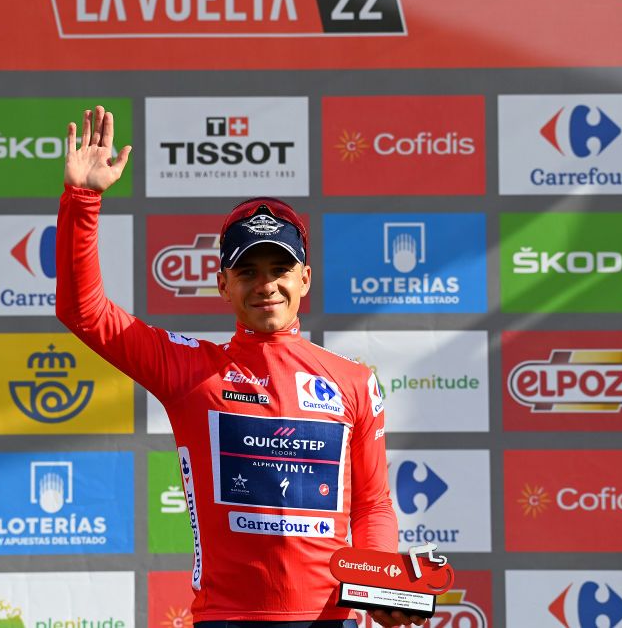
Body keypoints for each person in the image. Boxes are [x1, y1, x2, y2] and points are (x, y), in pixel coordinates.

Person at [56, 107, 425, 628]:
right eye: (248, 270)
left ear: (305, 279)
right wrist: (83, 199)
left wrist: (381, 585)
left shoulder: (354, 382)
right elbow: (83, 311)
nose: (266, 284)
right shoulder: (190, 370)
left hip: (332, 620)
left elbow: (372, 506)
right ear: (223, 284)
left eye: (280, 269)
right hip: (226, 618)